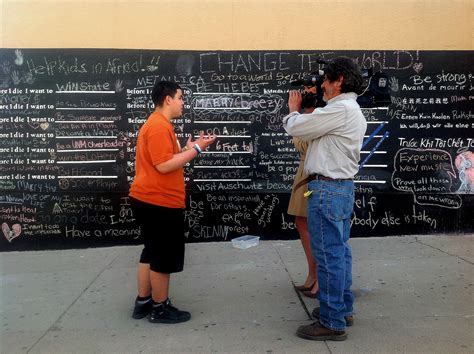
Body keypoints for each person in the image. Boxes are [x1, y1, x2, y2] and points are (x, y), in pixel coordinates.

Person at [283, 57, 366, 341]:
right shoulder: (347, 109)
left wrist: (293, 111)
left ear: (339, 80)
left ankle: (332, 322)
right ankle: (341, 309)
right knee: (339, 252)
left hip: (327, 190)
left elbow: (296, 129)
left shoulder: (340, 109)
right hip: (339, 188)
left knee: (328, 256)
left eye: (326, 81)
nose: (322, 87)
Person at [129, 81, 216, 324]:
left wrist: (186, 148)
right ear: (168, 99)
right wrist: (197, 149)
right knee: (162, 257)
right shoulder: (158, 126)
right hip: (159, 202)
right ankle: (160, 308)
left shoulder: (159, 124)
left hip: (149, 199)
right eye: (180, 98)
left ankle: (143, 303)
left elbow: (167, 156)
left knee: (151, 251)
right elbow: (164, 165)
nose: (183, 103)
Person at [288, 88, 324, 299]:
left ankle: (320, 277)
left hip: (313, 174)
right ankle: (313, 273)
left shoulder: (323, 115)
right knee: (302, 222)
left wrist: (296, 114)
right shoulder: (314, 115)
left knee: (315, 224)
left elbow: (303, 144)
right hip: (305, 173)